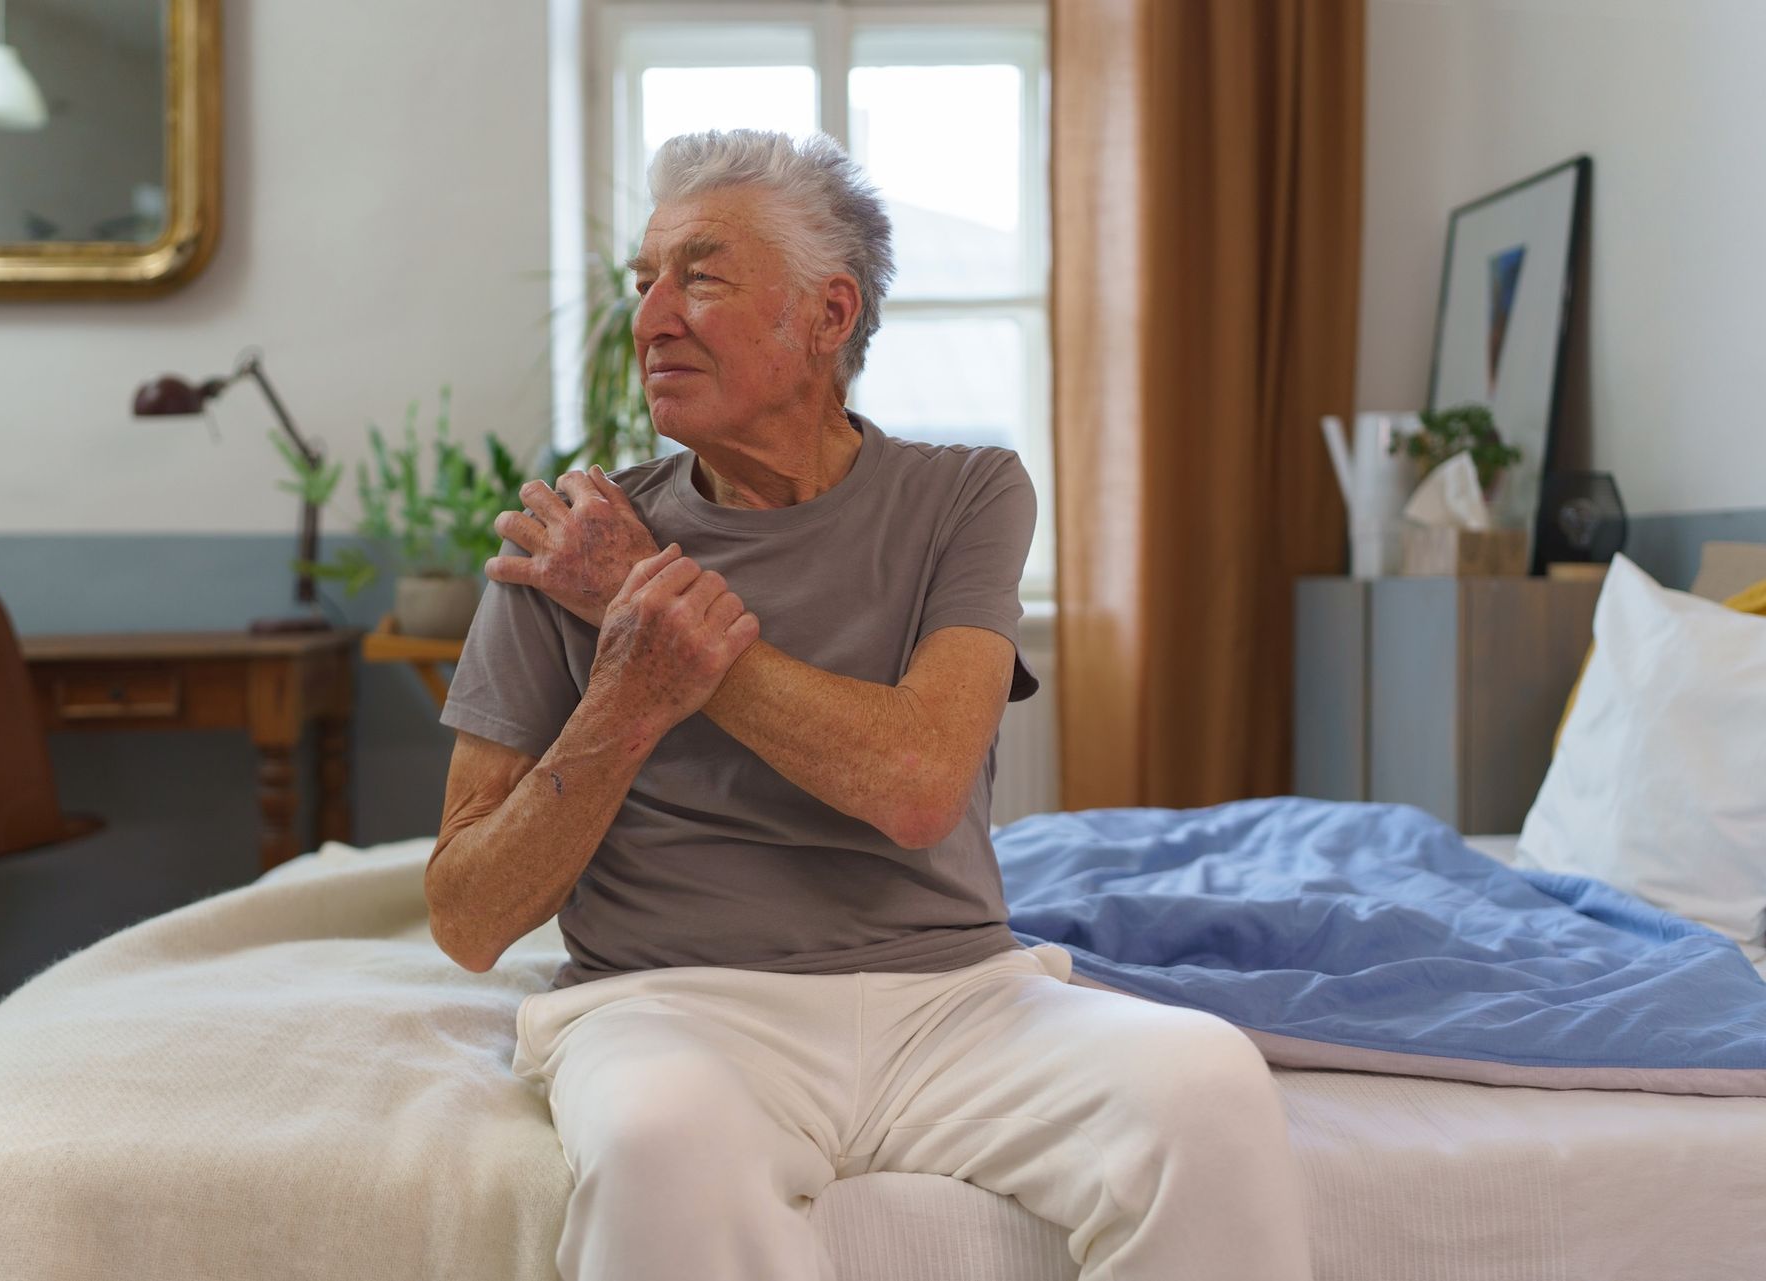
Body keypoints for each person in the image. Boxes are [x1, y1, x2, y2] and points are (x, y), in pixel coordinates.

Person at [425, 128, 1314, 1281]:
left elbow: (917, 787)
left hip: (956, 1003)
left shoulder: (965, 495)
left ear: (829, 316)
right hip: (673, 1002)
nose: (650, 318)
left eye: (699, 275)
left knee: (1205, 1087)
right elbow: (467, 917)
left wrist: (666, 632)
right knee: (657, 1145)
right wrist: (625, 702)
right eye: (644, 282)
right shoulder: (572, 545)